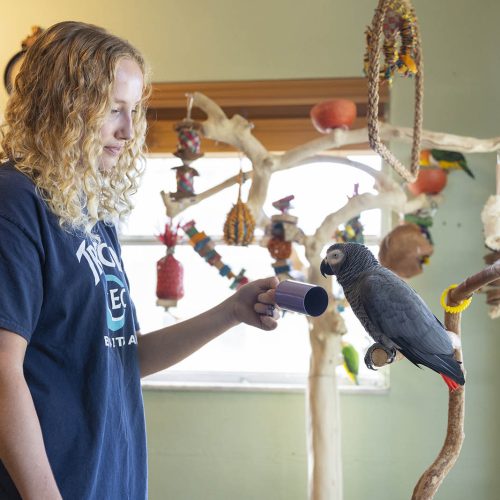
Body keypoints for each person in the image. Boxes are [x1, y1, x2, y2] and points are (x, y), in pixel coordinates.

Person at [0, 21, 280, 499]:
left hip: (112, 482)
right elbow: (2, 372)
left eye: (133, 111)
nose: (129, 131)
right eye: (113, 110)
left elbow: (118, 359)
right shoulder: (14, 201)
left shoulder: (90, 213)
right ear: (63, 107)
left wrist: (231, 312)